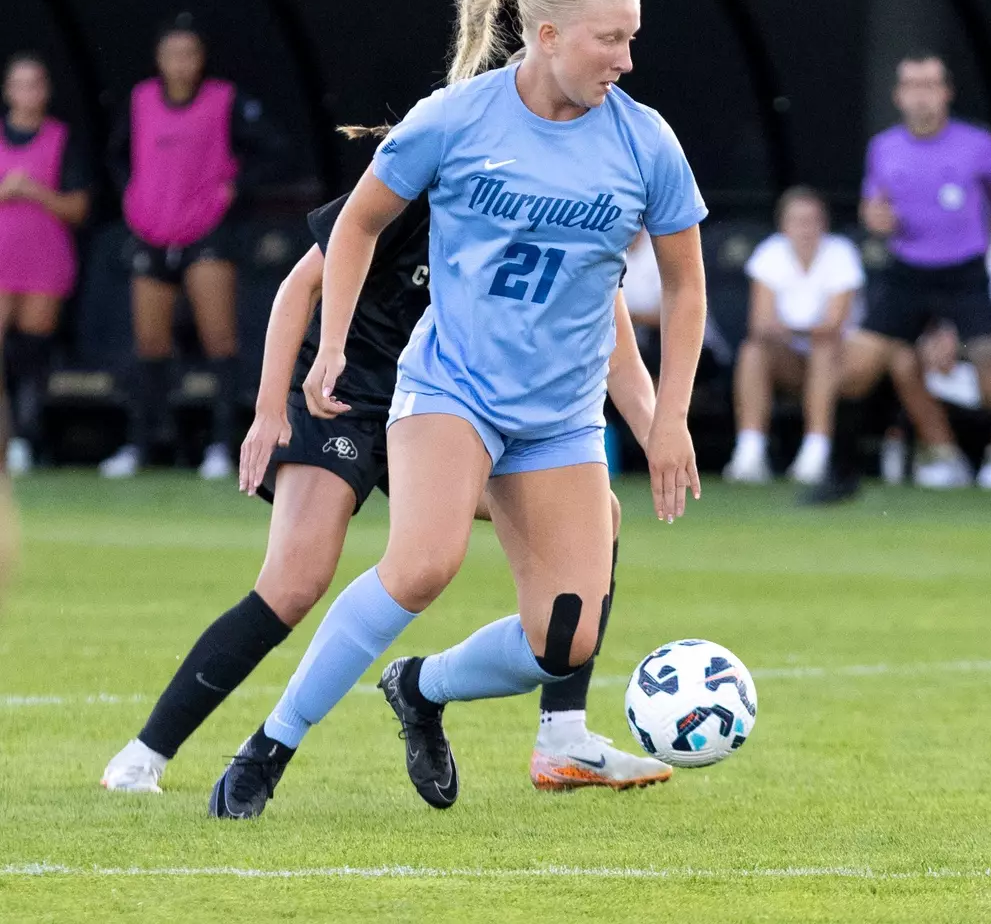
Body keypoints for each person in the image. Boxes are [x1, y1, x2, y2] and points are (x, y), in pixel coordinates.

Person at [207, 0, 706, 819]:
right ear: (546, 36)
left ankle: (422, 688)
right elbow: (357, 228)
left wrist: (668, 419)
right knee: (423, 564)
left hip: (560, 419)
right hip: (452, 390)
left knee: (564, 640)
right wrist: (328, 352)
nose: (626, 59)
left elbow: (689, 286)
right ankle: (269, 748)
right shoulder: (455, 119)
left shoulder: (647, 139)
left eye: (633, 39)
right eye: (610, 40)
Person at [99, 188, 669, 795]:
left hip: (445, 414)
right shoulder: (428, 177)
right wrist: (268, 411)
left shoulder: (557, 200)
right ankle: (145, 754)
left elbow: (617, 353)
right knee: (294, 583)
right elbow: (301, 285)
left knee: (598, 513)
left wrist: (662, 435)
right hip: (344, 399)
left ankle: (562, 738)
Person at [806, 52, 991, 501]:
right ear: (898, 95)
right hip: (906, 271)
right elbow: (874, 208)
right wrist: (876, 219)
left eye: (930, 85)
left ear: (946, 93)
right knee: (855, 370)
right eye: (911, 85)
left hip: (965, 272)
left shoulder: (978, 144)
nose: (921, 94)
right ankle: (841, 476)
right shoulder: (884, 147)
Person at [100, 17, 281, 482]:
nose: (181, 64)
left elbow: (272, 151)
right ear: (159, 60)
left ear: (202, 60)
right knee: (150, 343)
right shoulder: (139, 100)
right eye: (172, 54)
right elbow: (116, 154)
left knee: (220, 341)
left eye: (190, 54)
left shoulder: (225, 100)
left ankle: (223, 445)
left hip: (207, 233)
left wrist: (233, 189)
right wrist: (131, 192)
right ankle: (143, 444)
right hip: (151, 231)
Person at [888, 228, 991, 489]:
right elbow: (920, 313)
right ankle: (943, 453)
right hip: (947, 364)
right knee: (902, 357)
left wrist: (967, 345)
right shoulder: (935, 250)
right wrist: (932, 339)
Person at [724, 186, 863, 485]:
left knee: (825, 350)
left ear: (823, 223)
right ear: (783, 225)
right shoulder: (769, 253)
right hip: (789, 360)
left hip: (839, 362)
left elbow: (834, 326)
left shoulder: (841, 253)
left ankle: (815, 452)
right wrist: (797, 331)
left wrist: (789, 329)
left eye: (812, 220)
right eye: (798, 220)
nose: (805, 228)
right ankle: (749, 451)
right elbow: (760, 324)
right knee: (753, 351)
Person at [0, 53, 91, 473]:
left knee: (30, 356)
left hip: (43, 261)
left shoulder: (62, 139)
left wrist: (35, 193)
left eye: (36, 83)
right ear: (8, 90)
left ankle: (25, 438)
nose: (28, 92)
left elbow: (78, 208)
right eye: (20, 84)